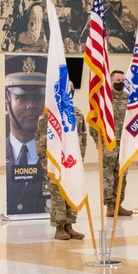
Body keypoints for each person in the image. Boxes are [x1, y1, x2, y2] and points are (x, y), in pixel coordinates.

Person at [36, 87, 87, 240]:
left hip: (72, 162)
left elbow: (82, 138)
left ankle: (69, 225)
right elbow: (40, 138)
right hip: (55, 161)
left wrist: (80, 159)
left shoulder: (77, 113)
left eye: (71, 88)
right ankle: (59, 227)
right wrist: (44, 160)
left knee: (71, 190)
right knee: (58, 193)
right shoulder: (49, 115)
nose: (69, 91)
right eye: (66, 88)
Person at [5, 55, 47, 214]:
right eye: (21, 98)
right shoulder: (3, 153)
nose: (31, 105)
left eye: (38, 97)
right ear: (6, 100)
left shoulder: (54, 154)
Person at [96, 69, 131, 217]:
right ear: (110, 82)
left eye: (123, 81)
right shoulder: (104, 100)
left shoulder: (128, 99)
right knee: (109, 175)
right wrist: (97, 140)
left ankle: (118, 203)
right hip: (109, 143)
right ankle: (110, 205)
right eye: (118, 81)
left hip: (124, 143)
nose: (121, 83)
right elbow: (94, 121)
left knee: (122, 175)